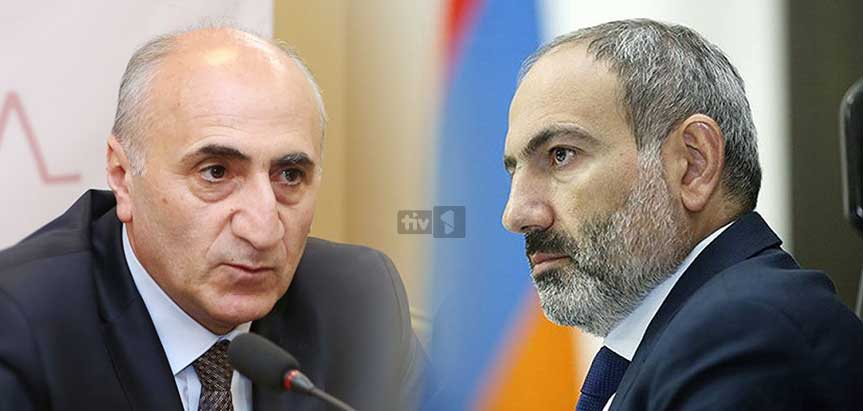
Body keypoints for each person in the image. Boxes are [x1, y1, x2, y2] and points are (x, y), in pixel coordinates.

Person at [0, 27, 422, 411]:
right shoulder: (18, 326)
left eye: (290, 176)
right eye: (216, 173)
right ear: (123, 178)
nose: (263, 230)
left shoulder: (358, 300)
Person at [502, 19, 863, 411]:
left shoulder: (746, 336)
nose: (515, 214)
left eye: (560, 155)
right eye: (513, 171)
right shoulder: (689, 340)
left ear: (693, 164)